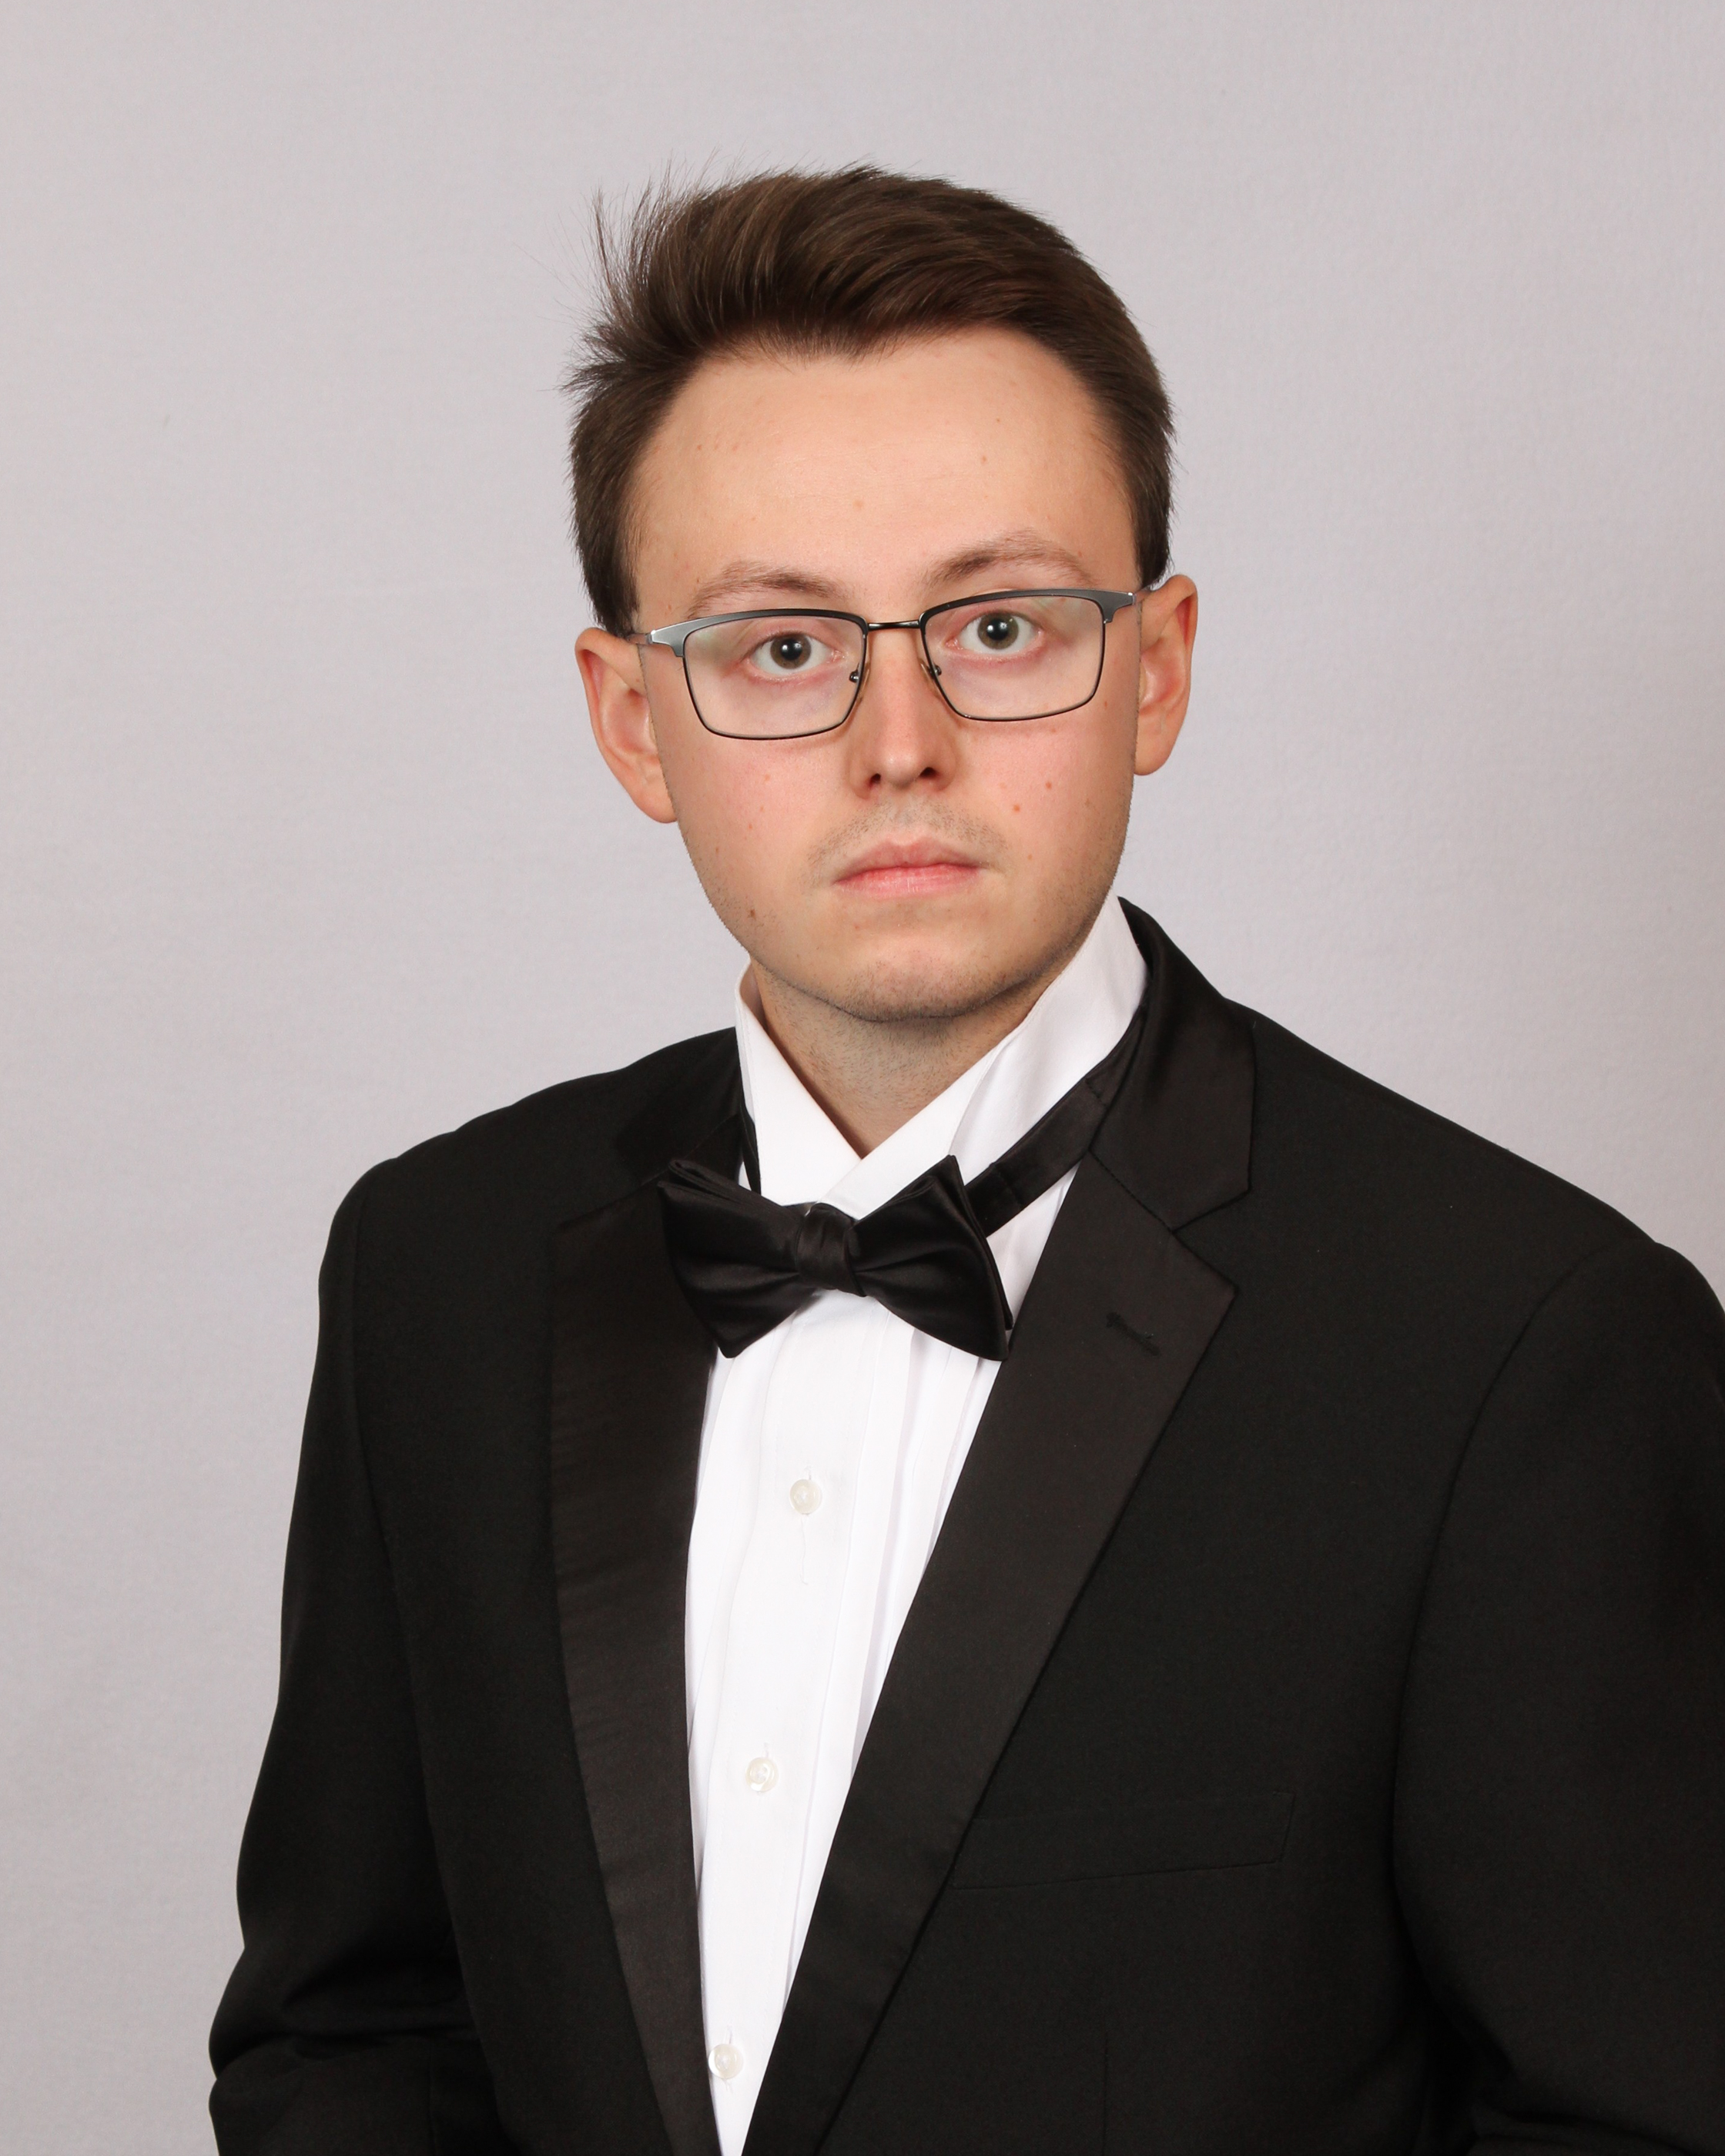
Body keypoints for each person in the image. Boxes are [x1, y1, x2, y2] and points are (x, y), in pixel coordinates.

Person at [209, 168, 1725, 2156]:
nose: (899, 741)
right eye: (780, 647)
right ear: (634, 720)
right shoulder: (436, 1268)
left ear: (1157, 666)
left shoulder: (1525, 1345)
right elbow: (353, 2028)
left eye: (1000, 627)